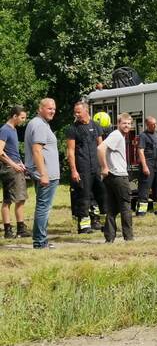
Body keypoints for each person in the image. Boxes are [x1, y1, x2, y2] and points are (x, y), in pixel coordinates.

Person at [24, 98, 59, 249]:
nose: (52, 111)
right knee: (43, 207)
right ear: (40, 108)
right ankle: (39, 241)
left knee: (43, 206)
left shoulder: (40, 124)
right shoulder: (39, 125)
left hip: (46, 173)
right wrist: (43, 173)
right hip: (46, 175)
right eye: (49, 108)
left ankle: (41, 239)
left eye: (54, 109)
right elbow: (37, 151)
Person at [66, 101, 105, 234]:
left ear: (86, 111)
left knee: (99, 194)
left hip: (96, 166)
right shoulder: (73, 128)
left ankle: (96, 221)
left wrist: (104, 166)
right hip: (82, 167)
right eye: (75, 112)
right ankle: (83, 225)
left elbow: (101, 147)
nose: (76, 114)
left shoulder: (96, 126)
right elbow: (70, 151)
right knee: (83, 195)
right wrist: (74, 170)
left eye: (79, 112)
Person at [98, 113, 134, 242]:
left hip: (112, 177)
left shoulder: (118, 136)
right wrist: (104, 167)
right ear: (118, 123)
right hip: (119, 176)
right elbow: (100, 148)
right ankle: (129, 237)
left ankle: (109, 238)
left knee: (112, 209)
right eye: (124, 123)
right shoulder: (116, 135)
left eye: (129, 124)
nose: (127, 126)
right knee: (125, 206)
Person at [0, 105, 29, 239]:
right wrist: (14, 165)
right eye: (22, 117)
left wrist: (21, 163)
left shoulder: (13, 130)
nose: (23, 120)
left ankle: (21, 228)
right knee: (9, 200)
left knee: (20, 198)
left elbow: (12, 151)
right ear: (14, 116)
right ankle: (8, 230)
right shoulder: (5, 130)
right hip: (10, 169)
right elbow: (0, 152)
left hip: (16, 167)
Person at [135, 116, 157, 216]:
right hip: (148, 164)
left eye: (156, 124)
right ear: (148, 125)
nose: (155, 126)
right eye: (153, 124)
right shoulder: (143, 136)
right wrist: (144, 166)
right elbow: (140, 151)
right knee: (145, 188)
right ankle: (141, 211)